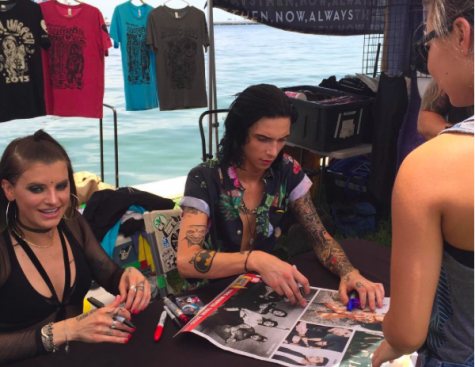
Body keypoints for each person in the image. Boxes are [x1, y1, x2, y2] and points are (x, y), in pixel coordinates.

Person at [177, 84, 384, 311]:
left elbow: (320, 238)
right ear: (239, 133)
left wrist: (349, 273)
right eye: (263, 139)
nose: (273, 152)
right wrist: (255, 260)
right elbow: (187, 261)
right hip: (211, 299)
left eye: (282, 139)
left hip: (262, 292)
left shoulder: (287, 170)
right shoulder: (204, 178)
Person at [372, 1, 474, 366]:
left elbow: (407, 332)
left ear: (461, 35)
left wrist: (390, 345)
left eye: (428, 42)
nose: (428, 60)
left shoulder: (431, 170)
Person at [0, 130, 152, 365]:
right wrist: (68, 329)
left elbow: (109, 273)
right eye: (37, 189)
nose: (53, 200)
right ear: (9, 189)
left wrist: (128, 278)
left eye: (61, 186)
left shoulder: (72, 223)